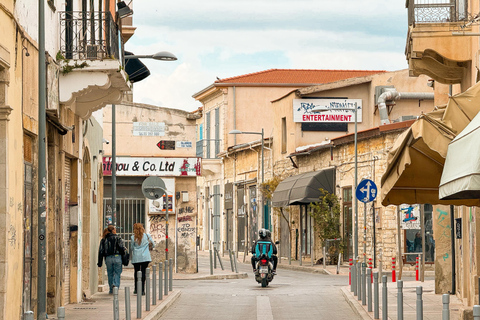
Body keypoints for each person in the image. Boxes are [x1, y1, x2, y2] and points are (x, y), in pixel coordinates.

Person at [97, 225, 126, 294]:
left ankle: (111, 289)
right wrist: (124, 255)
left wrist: (100, 262)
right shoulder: (118, 238)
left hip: (108, 258)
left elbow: (101, 251)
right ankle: (115, 285)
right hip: (117, 257)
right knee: (117, 273)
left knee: (110, 273)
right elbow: (121, 248)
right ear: (113, 230)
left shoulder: (104, 239)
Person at [131, 223, 154, 295]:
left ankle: (136, 289)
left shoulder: (133, 237)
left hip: (136, 257)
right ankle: (143, 290)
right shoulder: (147, 236)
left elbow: (132, 247)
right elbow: (153, 244)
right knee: (143, 273)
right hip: (145, 257)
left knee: (136, 273)